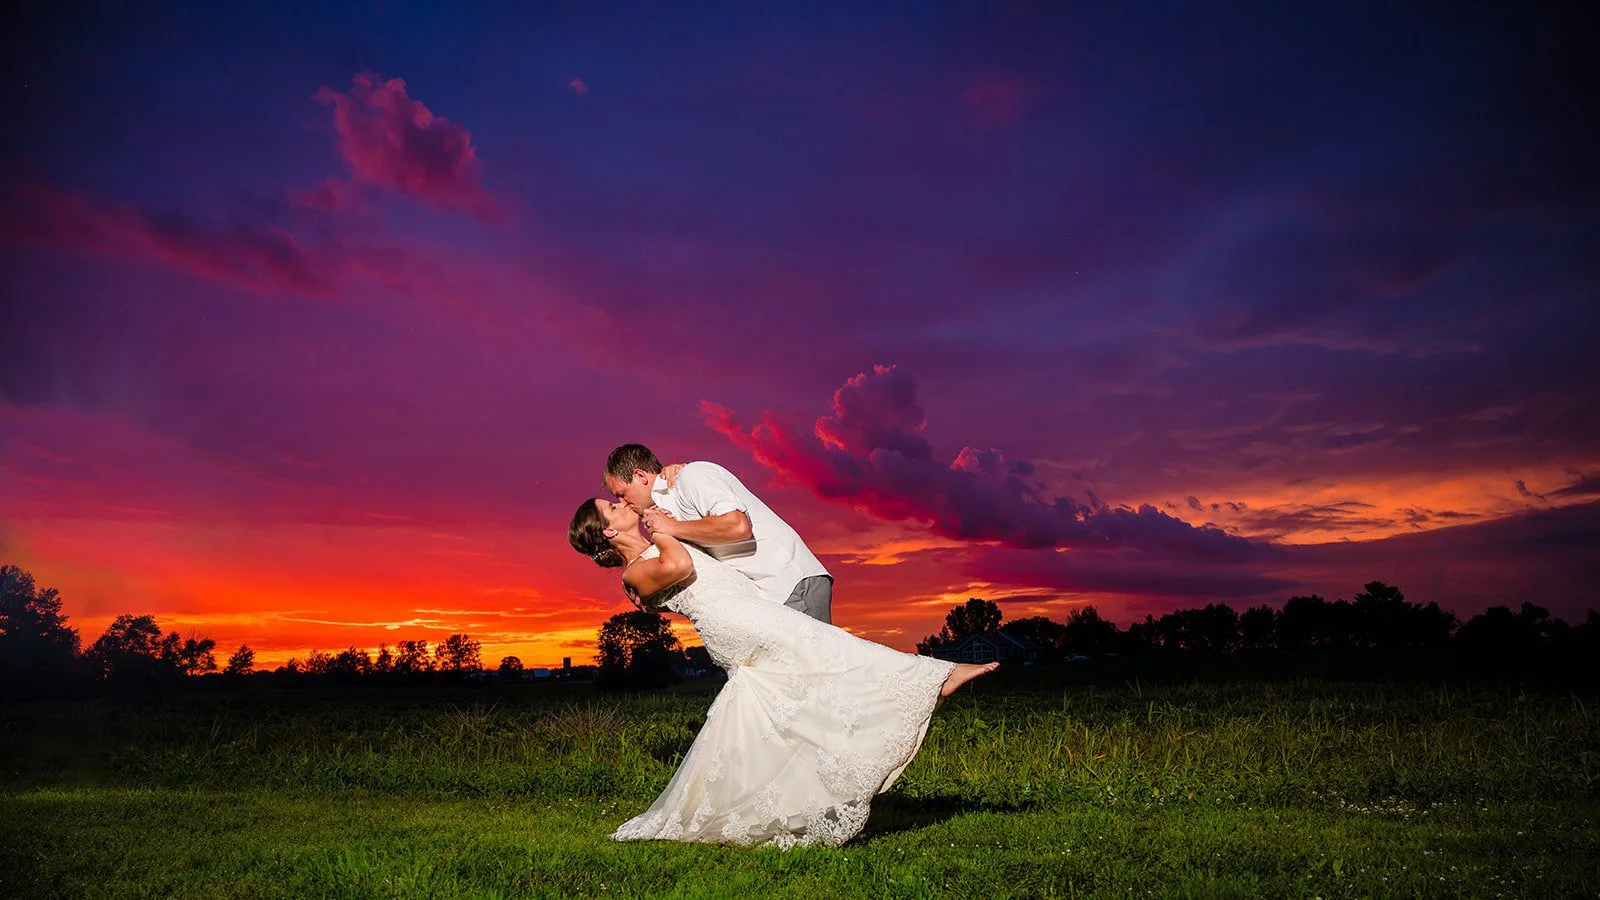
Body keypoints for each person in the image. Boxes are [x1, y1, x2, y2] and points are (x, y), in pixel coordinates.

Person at [569, 497, 997, 848]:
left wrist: (669, 508)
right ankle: (934, 678)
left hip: (745, 608)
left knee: (785, 705)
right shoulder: (635, 572)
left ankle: (790, 799)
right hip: (733, 620)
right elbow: (680, 566)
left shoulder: (652, 547)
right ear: (608, 530)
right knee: (828, 648)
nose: (622, 502)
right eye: (612, 505)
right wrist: (663, 531)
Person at [603, 443, 834, 623]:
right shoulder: (663, 511)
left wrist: (671, 527)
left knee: (820, 679)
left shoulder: (691, 476)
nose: (622, 502)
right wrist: (652, 597)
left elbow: (737, 526)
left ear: (640, 477)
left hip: (789, 581)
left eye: (622, 494)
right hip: (768, 598)